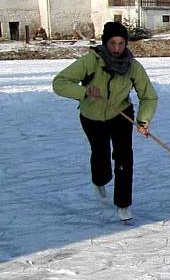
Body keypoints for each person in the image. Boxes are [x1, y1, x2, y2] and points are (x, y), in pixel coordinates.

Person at [52, 21, 158, 222]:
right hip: (92, 117)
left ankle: (123, 203)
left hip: (121, 114)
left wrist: (143, 120)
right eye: (112, 43)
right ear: (105, 42)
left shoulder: (132, 66)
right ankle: (99, 180)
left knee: (124, 157)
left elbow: (149, 96)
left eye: (121, 43)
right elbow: (59, 83)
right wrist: (84, 91)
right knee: (100, 155)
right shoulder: (91, 61)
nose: (117, 48)